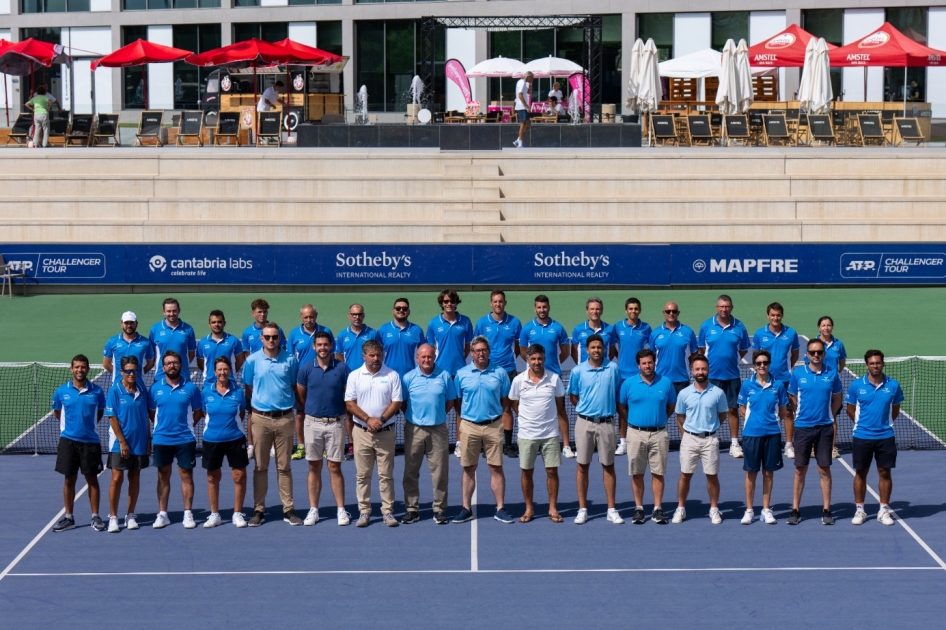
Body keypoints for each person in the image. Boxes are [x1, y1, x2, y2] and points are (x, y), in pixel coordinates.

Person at [242, 321, 301, 527]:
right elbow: (249, 387)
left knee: (284, 466)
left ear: (279, 338)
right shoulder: (252, 361)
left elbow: (294, 385)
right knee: (260, 466)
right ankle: (259, 510)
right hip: (260, 420)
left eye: (274, 337)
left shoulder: (290, 360)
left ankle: (289, 509)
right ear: (261, 338)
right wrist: (261, 407)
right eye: (267, 337)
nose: (271, 340)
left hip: (285, 418)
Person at [452, 336, 513, 524]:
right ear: (472, 353)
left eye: (484, 350)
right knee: (468, 468)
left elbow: (505, 401)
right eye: (477, 350)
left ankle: (500, 508)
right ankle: (466, 508)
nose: (481, 353)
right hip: (469, 427)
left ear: (489, 351)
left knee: (496, 467)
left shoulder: (500, 373)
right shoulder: (462, 374)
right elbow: (457, 402)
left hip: (494, 426)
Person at [344, 340, 403, 528]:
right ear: (364, 356)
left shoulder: (392, 375)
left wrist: (381, 421)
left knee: (386, 475)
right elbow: (350, 403)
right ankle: (364, 511)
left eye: (378, 355)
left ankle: (387, 511)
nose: (376, 358)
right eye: (372, 355)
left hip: (385, 432)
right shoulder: (354, 376)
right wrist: (369, 420)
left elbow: (396, 402)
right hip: (361, 433)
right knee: (363, 475)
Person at [296, 331, 351, 526]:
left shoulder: (343, 368)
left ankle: (341, 510)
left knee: (335, 467)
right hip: (312, 423)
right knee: (314, 466)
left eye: (326, 344)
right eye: (319, 345)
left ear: (331, 346)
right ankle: (313, 510)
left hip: (336, 423)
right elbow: (301, 396)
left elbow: (348, 395)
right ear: (314, 347)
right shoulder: (306, 369)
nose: (322, 348)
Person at [568, 334, 624, 525]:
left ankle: (611, 509)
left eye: (599, 347)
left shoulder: (614, 369)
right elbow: (573, 397)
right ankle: (582, 509)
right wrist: (587, 412)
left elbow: (618, 393)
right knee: (582, 466)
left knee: (608, 466)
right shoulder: (577, 371)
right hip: (584, 424)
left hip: (607, 424)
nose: (596, 350)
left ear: (604, 349)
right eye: (592, 347)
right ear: (587, 349)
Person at [786, 338, 843, 526]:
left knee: (824, 469)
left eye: (819, 352)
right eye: (813, 352)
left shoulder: (832, 374)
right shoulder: (798, 373)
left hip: (825, 429)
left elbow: (837, 398)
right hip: (802, 428)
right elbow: (792, 397)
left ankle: (827, 510)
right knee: (800, 469)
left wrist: (829, 415)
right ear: (807, 354)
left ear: (823, 354)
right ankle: (795, 509)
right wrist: (801, 415)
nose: (816, 355)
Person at [617, 348, 677, 525]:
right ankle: (639, 509)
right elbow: (621, 406)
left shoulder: (666, 383)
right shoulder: (628, 384)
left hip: (659, 433)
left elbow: (671, 406)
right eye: (644, 363)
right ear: (639, 365)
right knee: (637, 473)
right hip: (635, 434)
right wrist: (633, 421)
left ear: (654, 363)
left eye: (650, 362)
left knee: (658, 473)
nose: (647, 366)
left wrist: (658, 419)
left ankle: (657, 509)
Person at [509, 344, 568, 523]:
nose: (537, 362)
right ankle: (529, 508)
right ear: (527, 360)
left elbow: (560, 408)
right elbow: (514, 403)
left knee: (552, 471)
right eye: (533, 359)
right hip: (527, 435)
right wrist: (527, 419)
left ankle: (552, 508)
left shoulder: (554, 379)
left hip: (550, 434)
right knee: (527, 472)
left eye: (539, 358)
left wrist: (565, 441)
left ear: (544, 359)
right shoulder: (519, 381)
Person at [846, 349, 904, 526]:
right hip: (862, 436)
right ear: (866, 365)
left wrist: (883, 425)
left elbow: (895, 409)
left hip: (885, 436)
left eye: (878, 363)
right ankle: (860, 510)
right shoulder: (856, 385)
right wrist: (863, 425)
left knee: (884, 472)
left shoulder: (893, 385)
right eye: (872, 363)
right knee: (861, 472)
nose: (875, 366)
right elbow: (850, 409)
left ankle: (884, 510)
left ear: (883, 364)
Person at [401, 344, 457, 525]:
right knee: (410, 471)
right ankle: (412, 509)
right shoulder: (408, 378)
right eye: (423, 357)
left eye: (430, 356)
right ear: (417, 358)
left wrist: (437, 415)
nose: (426, 360)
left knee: (440, 472)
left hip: (438, 430)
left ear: (435, 357)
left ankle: (440, 509)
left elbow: (450, 401)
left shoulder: (444, 376)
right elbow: (402, 403)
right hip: (414, 429)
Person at [51, 354, 107, 533]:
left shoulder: (97, 391)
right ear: (71, 369)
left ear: (88, 369)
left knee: (92, 479)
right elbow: (58, 413)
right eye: (76, 367)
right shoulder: (61, 391)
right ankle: (69, 517)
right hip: (68, 442)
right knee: (69, 479)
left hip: (90, 443)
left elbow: (99, 413)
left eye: (83, 367)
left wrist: (86, 428)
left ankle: (95, 516)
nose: (79, 370)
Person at [149, 350, 204, 530]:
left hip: (185, 439)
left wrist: (185, 426)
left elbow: (198, 412)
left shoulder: (191, 388)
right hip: (161, 439)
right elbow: (152, 413)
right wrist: (164, 427)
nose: (172, 365)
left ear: (181, 365)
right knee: (163, 476)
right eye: (168, 363)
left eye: (175, 363)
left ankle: (188, 513)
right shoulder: (155, 388)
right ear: (163, 367)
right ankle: (163, 514)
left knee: (186, 475)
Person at [672, 354, 728, 525]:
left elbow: (723, 415)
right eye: (697, 369)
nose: (700, 371)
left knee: (712, 475)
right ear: (692, 371)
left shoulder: (718, 393)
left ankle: (713, 508)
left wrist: (710, 429)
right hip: (689, 440)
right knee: (685, 475)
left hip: (710, 440)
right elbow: (680, 416)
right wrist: (686, 434)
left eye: (703, 368)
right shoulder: (684, 393)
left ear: (708, 370)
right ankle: (681, 508)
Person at [737, 349, 788, 525]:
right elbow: (742, 407)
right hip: (751, 435)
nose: (762, 366)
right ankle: (749, 510)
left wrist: (770, 421)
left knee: (768, 473)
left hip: (772, 434)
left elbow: (782, 410)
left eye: (765, 363)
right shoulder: (747, 385)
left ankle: (766, 509)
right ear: (754, 365)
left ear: (769, 364)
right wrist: (754, 421)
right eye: (758, 363)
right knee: (751, 472)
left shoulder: (778, 385)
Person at [103, 356, 153, 533]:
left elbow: (146, 417)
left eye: (134, 371)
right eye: (128, 371)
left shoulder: (142, 390)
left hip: (140, 442)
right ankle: (113, 517)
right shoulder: (115, 391)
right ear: (122, 372)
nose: (132, 374)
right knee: (117, 479)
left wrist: (148, 439)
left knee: (135, 477)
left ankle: (130, 515)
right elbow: (112, 418)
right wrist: (122, 442)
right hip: (120, 444)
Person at [697, 295, 750, 459]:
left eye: (727, 306)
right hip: (711, 377)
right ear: (716, 307)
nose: (724, 309)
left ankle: (734, 443)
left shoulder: (739, 326)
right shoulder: (706, 326)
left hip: (732, 375)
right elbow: (701, 350)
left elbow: (743, 350)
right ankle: (707, 442)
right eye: (721, 306)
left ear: (731, 308)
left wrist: (730, 361)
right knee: (708, 410)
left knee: (733, 410)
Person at [201, 356, 250, 528]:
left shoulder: (239, 392)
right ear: (215, 372)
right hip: (211, 440)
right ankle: (215, 514)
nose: (222, 372)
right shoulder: (206, 391)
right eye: (219, 370)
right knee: (213, 477)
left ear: (230, 371)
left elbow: (242, 412)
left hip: (235, 439)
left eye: (225, 369)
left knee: (239, 475)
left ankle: (237, 513)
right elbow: (203, 412)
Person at [473, 290, 523, 457]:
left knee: (507, 408)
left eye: (500, 301)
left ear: (505, 303)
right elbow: (476, 347)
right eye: (495, 301)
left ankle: (508, 445)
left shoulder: (515, 322)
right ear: (491, 303)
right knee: (490, 408)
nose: (498, 304)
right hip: (489, 371)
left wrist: (506, 362)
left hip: (508, 371)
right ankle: (491, 445)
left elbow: (517, 348)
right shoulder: (482, 323)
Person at [519, 295, 570, 455]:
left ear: (548, 308)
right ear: (535, 308)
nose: (542, 310)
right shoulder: (527, 329)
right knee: (536, 409)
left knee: (560, 409)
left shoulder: (558, 327)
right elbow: (522, 351)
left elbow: (565, 352)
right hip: (533, 378)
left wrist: (551, 365)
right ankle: (537, 442)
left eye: (544, 307)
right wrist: (535, 365)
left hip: (554, 376)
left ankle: (566, 445)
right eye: (539, 307)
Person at [426, 289, 473, 453]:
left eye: (451, 301)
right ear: (442, 303)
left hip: (460, 372)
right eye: (445, 302)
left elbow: (467, 347)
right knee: (439, 408)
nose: (449, 304)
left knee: (460, 409)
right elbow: (431, 349)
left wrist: (458, 361)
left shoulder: (465, 322)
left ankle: (460, 443)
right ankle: (438, 442)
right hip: (440, 373)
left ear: (456, 303)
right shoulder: (433, 323)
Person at [752, 302, 800, 459]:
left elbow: (795, 354)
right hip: (765, 380)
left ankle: (788, 445)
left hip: (785, 379)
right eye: (772, 315)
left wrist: (785, 369)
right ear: (768, 316)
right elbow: (756, 357)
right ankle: (765, 441)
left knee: (787, 412)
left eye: (778, 315)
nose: (775, 318)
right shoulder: (760, 334)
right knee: (764, 410)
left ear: (782, 315)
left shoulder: (791, 333)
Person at [335, 303, 381, 461]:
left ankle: (374, 442)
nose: (357, 317)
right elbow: (339, 355)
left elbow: (378, 354)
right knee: (350, 412)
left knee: (373, 409)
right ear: (349, 316)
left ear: (363, 315)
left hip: (371, 377)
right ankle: (353, 444)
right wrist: (348, 373)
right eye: (354, 314)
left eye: (359, 314)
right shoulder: (342, 335)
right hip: (351, 381)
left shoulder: (373, 333)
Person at [288, 304, 334, 460]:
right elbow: (290, 359)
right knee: (301, 413)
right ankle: (301, 446)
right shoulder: (294, 334)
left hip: (322, 379)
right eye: (306, 317)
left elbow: (332, 355)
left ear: (316, 315)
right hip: (302, 380)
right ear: (301, 317)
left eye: (311, 316)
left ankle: (323, 447)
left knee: (323, 412)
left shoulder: (326, 331)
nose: (309, 319)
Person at [612, 297, 652, 455]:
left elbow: (650, 350)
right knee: (622, 409)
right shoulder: (618, 327)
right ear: (626, 310)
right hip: (622, 376)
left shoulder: (646, 328)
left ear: (639, 310)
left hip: (640, 376)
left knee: (641, 406)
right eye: (630, 309)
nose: (633, 311)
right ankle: (623, 442)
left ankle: (642, 439)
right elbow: (612, 349)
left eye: (636, 308)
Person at [806, 315, 847, 459]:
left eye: (828, 325)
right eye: (823, 325)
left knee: (832, 417)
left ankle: (832, 447)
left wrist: (831, 376)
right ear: (819, 328)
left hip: (832, 387)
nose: (826, 328)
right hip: (815, 386)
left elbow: (841, 363)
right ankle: (812, 447)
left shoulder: (838, 344)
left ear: (832, 327)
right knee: (813, 415)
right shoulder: (814, 345)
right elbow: (809, 363)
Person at [650, 301, 699, 394]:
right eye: (668, 311)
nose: (671, 313)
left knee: (680, 408)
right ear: (664, 313)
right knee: (662, 408)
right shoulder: (655, 333)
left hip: (682, 379)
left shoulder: (688, 332)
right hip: (661, 379)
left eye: (674, 311)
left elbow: (694, 355)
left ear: (678, 313)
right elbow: (652, 356)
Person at [149, 297, 197, 383]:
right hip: (160, 377)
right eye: (168, 311)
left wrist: (179, 366)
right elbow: (152, 355)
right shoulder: (155, 329)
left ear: (179, 311)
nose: (172, 314)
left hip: (183, 377)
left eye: (174, 310)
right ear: (163, 312)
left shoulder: (188, 329)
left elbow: (191, 354)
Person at [379, 297, 425, 379]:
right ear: (393, 311)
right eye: (398, 308)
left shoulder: (417, 330)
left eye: (404, 308)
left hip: (412, 376)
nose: (401, 310)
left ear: (409, 312)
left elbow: (424, 355)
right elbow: (377, 354)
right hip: (387, 376)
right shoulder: (383, 330)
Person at [103, 311, 154, 381]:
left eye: (131, 322)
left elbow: (150, 363)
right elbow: (106, 364)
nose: (129, 325)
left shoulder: (146, 342)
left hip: (138, 384)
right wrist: (122, 374)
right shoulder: (112, 341)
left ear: (136, 323)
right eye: (126, 323)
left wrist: (138, 373)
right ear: (121, 324)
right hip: (118, 384)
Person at [196, 309, 244, 383]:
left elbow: (240, 361)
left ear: (224, 323)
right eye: (213, 322)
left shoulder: (234, 340)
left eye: (219, 322)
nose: (216, 324)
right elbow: (200, 364)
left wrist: (230, 373)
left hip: (230, 382)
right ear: (209, 324)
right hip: (209, 383)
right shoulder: (202, 343)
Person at [25, 84, 57, 148]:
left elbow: (26, 104)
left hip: (36, 114)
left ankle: (35, 143)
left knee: (37, 129)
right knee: (46, 129)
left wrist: (32, 109)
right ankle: (44, 144)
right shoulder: (45, 97)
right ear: (44, 92)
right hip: (44, 114)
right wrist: (48, 108)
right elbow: (50, 102)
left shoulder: (35, 98)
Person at [513, 71, 533, 148]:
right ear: (528, 77)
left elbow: (528, 92)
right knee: (523, 124)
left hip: (522, 106)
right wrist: (526, 106)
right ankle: (520, 143)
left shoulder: (524, 83)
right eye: (532, 78)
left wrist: (530, 84)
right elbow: (520, 95)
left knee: (528, 124)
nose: (532, 79)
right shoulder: (522, 83)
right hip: (521, 106)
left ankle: (518, 139)